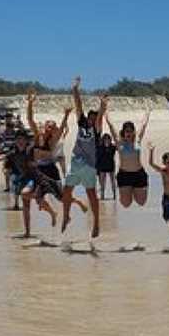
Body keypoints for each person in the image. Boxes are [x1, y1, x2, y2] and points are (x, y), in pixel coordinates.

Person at [27, 91, 82, 225]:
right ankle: (53, 213)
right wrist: (30, 103)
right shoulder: (37, 135)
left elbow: (62, 128)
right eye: (48, 126)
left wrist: (66, 115)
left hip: (50, 170)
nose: (49, 129)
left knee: (61, 198)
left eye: (51, 128)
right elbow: (30, 120)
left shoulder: (52, 141)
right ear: (45, 126)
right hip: (38, 171)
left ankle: (78, 202)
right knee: (37, 197)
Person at [62, 77, 107, 237]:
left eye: (95, 118)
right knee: (66, 191)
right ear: (88, 118)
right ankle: (66, 216)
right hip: (76, 162)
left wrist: (103, 104)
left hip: (89, 165)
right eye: (92, 117)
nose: (93, 119)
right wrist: (75, 88)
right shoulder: (82, 122)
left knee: (91, 194)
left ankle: (96, 224)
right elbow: (78, 104)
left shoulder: (97, 129)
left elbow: (101, 114)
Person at [0, 131, 38, 235]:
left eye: (22, 139)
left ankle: (49, 210)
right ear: (15, 141)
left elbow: (42, 158)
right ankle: (27, 232)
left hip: (34, 179)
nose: (20, 141)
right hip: (23, 180)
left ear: (26, 141)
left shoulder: (31, 150)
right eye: (18, 139)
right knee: (26, 206)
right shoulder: (13, 153)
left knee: (30, 200)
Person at [106, 110, 151, 208]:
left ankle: (135, 190)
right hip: (124, 175)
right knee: (126, 204)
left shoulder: (137, 140)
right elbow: (111, 125)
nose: (129, 133)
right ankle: (128, 191)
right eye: (127, 131)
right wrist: (105, 112)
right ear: (124, 132)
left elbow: (143, 125)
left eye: (131, 131)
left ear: (133, 132)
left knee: (141, 202)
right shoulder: (119, 142)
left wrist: (147, 113)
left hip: (138, 174)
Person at [97, 133, 117, 200]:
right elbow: (98, 157)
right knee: (102, 182)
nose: (107, 140)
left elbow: (119, 147)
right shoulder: (100, 147)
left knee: (113, 181)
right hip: (102, 166)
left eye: (108, 139)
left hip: (111, 165)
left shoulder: (113, 147)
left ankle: (114, 195)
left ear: (110, 139)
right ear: (103, 140)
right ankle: (102, 195)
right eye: (105, 139)